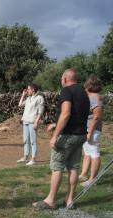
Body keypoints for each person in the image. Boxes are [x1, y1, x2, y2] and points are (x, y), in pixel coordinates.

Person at [33, 69, 90, 209]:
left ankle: (50, 201)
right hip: (80, 135)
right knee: (73, 167)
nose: (61, 81)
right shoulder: (83, 93)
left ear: (65, 79)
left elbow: (66, 114)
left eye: (61, 79)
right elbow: (75, 114)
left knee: (57, 167)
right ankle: (69, 200)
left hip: (67, 136)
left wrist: (55, 135)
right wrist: (56, 123)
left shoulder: (67, 91)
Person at [79, 76, 104, 187]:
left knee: (94, 153)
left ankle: (92, 179)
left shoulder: (96, 98)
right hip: (87, 129)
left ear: (89, 85)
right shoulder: (91, 96)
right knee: (88, 152)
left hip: (92, 129)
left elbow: (96, 117)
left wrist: (90, 132)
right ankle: (84, 174)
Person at [17, 83, 45, 166]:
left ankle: (33, 159)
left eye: (28, 89)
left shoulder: (39, 98)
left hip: (32, 121)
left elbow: (40, 111)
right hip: (25, 121)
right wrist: (23, 95)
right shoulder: (28, 98)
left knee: (33, 141)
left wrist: (36, 122)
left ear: (33, 89)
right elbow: (20, 105)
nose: (27, 90)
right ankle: (25, 157)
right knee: (26, 140)